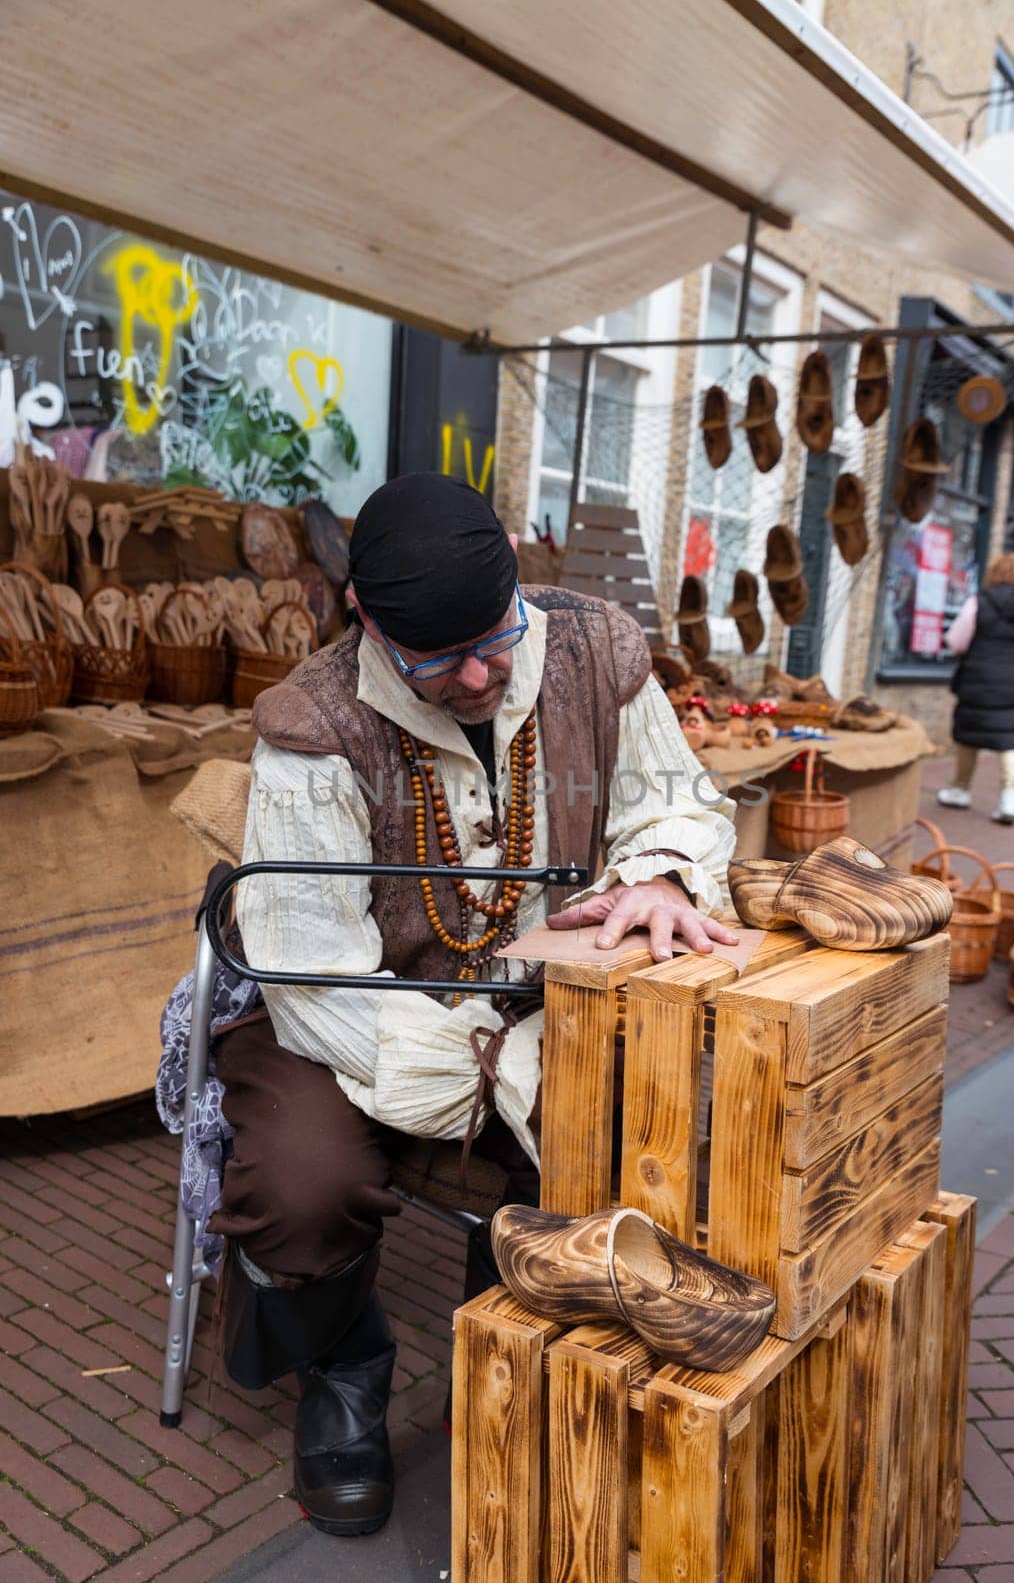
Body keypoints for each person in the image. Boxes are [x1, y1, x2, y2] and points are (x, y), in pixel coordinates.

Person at [213, 473, 738, 1536]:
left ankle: (502, 1349)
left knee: (630, 1134)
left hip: (545, 992)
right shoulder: (309, 724)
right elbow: (312, 974)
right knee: (298, 1182)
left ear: (510, 561)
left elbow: (673, 796)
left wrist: (659, 872)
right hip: (350, 1014)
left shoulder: (596, 648)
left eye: (494, 638)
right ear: (365, 615)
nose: (477, 673)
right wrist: (496, 1071)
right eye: (435, 659)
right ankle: (346, 1366)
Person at [937, 552, 1014, 824]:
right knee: (1011, 738)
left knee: (969, 735)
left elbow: (956, 641)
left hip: (978, 679)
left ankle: (960, 789)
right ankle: (1009, 798)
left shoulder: (978, 603)